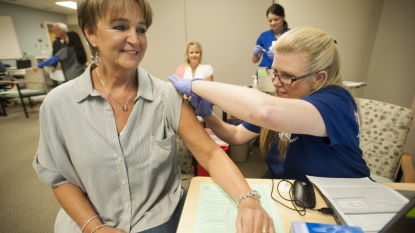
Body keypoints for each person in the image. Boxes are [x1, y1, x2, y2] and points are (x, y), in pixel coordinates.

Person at [32, 1, 274, 233]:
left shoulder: (166, 95)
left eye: (141, 29)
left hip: (159, 222)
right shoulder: (58, 104)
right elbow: (59, 177)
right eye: (120, 27)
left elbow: (210, 154)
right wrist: (94, 227)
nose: (135, 39)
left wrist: (248, 199)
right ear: (91, 34)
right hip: (88, 223)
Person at [169, 27, 370, 181]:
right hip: (292, 189)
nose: (275, 82)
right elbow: (236, 135)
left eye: (287, 76)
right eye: (274, 71)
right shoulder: (286, 98)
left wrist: (197, 85)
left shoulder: (336, 101)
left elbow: (264, 111)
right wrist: (208, 115)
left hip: (345, 199)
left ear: (319, 78)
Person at [252, 4, 290, 68]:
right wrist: (255, 54)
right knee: (261, 77)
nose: (273, 23)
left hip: (281, 71)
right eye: (270, 20)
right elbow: (254, 60)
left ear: (283, 17)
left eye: (276, 19)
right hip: (263, 70)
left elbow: (296, 60)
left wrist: (279, 57)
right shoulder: (264, 36)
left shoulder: (291, 35)